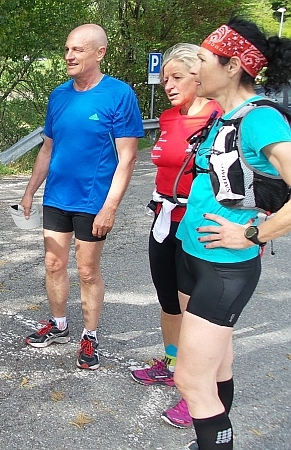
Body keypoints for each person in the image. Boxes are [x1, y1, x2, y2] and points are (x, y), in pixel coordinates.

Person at [172, 19, 291, 450]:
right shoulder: (228, 114)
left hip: (224, 270)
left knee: (190, 379)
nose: (195, 68)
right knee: (217, 370)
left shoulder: (260, 119)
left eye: (202, 60)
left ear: (234, 65)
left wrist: (255, 235)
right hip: (194, 257)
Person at [19, 24, 143, 370]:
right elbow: (47, 149)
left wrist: (110, 207)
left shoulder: (119, 95)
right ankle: (59, 325)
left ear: (100, 53)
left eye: (78, 50)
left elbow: (128, 157)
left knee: (87, 271)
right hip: (57, 197)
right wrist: (30, 191)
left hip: (93, 202)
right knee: (53, 263)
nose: (69, 56)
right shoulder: (59, 95)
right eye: (67, 49)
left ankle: (90, 335)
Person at [130, 43, 223, 429]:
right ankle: (172, 362)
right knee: (168, 300)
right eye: (165, 78)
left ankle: (198, 392)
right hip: (164, 218)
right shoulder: (168, 118)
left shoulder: (220, 118)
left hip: (198, 224)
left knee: (199, 314)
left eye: (177, 77)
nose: (168, 84)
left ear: (199, 76)